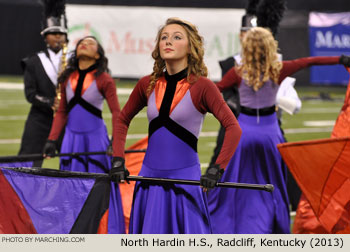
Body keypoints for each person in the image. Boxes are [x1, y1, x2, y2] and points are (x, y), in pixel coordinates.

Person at [207, 26, 350, 234]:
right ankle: (272, 222)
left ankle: (234, 220)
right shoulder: (279, 68)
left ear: (246, 47)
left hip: (243, 132)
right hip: (270, 133)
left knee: (236, 179)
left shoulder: (237, 72)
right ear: (270, 46)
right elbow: (310, 61)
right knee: (273, 180)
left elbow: (214, 90)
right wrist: (340, 59)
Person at [110, 17, 242, 234]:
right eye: (164, 38)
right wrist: (117, 160)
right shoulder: (147, 84)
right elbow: (122, 119)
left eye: (176, 37)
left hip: (185, 182)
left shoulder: (203, 86)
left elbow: (233, 128)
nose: (168, 42)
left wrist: (216, 170)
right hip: (148, 180)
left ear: (190, 48)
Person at [43, 36, 125, 233]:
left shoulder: (104, 79)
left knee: (98, 184)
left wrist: (116, 141)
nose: (84, 44)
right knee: (70, 185)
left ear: (97, 55)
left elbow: (116, 113)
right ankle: (74, 228)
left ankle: (102, 228)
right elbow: (62, 112)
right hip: (71, 140)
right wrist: (52, 140)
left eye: (90, 43)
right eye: (81, 43)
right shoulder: (67, 78)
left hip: (95, 139)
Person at [18, 0, 68, 167]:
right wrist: (49, 102)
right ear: (45, 37)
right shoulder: (33, 62)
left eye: (61, 33)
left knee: (74, 161)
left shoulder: (74, 60)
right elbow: (30, 94)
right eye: (53, 33)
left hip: (67, 119)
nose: (58, 37)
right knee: (28, 161)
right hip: (40, 119)